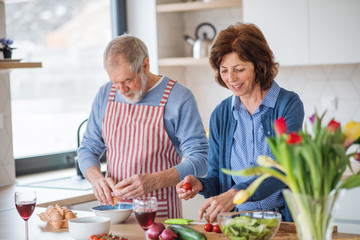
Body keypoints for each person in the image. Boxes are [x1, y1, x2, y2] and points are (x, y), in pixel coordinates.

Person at [176, 23, 304, 222]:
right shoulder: (221, 114)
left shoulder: (288, 105)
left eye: (239, 69)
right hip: (239, 221)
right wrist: (201, 184)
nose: (230, 78)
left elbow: (281, 169)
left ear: (259, 65)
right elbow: (218, 179)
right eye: (224, 70)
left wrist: (235, 194)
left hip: (284, 221)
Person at [77, 35, 208, 218]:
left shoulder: (179, 97)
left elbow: (201, 160)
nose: (121, 90)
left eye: (128, 81)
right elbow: (88, 149)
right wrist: (96, 179)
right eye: (115, 83)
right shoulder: (105, 94)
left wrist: (155, 181)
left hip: (160, 216)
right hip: (114, 214)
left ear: (145, 65)